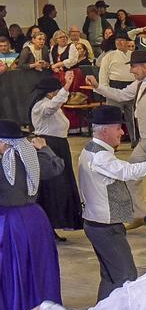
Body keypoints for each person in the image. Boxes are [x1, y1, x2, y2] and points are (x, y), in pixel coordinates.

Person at [77, 105, 146, 301]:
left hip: (97, 223)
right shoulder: (100, 156)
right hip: (105, 226)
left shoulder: (89, 149)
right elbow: (130, 172)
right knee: (125, 276)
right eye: (118, 128)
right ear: (105, 130)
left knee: (110, 276)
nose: (122, 132)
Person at [88, 49, 146, 219]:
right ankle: (139, 215)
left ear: (145, 66)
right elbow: (121, 95)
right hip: (145, 139)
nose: (131, 71)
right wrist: (97, 86)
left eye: (133, 67)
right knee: (130, 174)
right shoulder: (139, 82)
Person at [0, 120, 62, 310]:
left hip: (10, 224)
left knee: (15, 277)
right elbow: (57, 166)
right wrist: (44, 148)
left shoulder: (5, 162)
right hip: (36, 220)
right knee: (40, 274)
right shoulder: (30, 157)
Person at [28, 73, 83, 235]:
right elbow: (51, 107)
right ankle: (47, 226)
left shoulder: (49, 104)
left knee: (61, 186)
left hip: (59, 145)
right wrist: (67, 86)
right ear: (51, 92)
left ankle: (54, 223)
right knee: (51, 187)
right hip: (48, 145)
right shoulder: (41, 106)